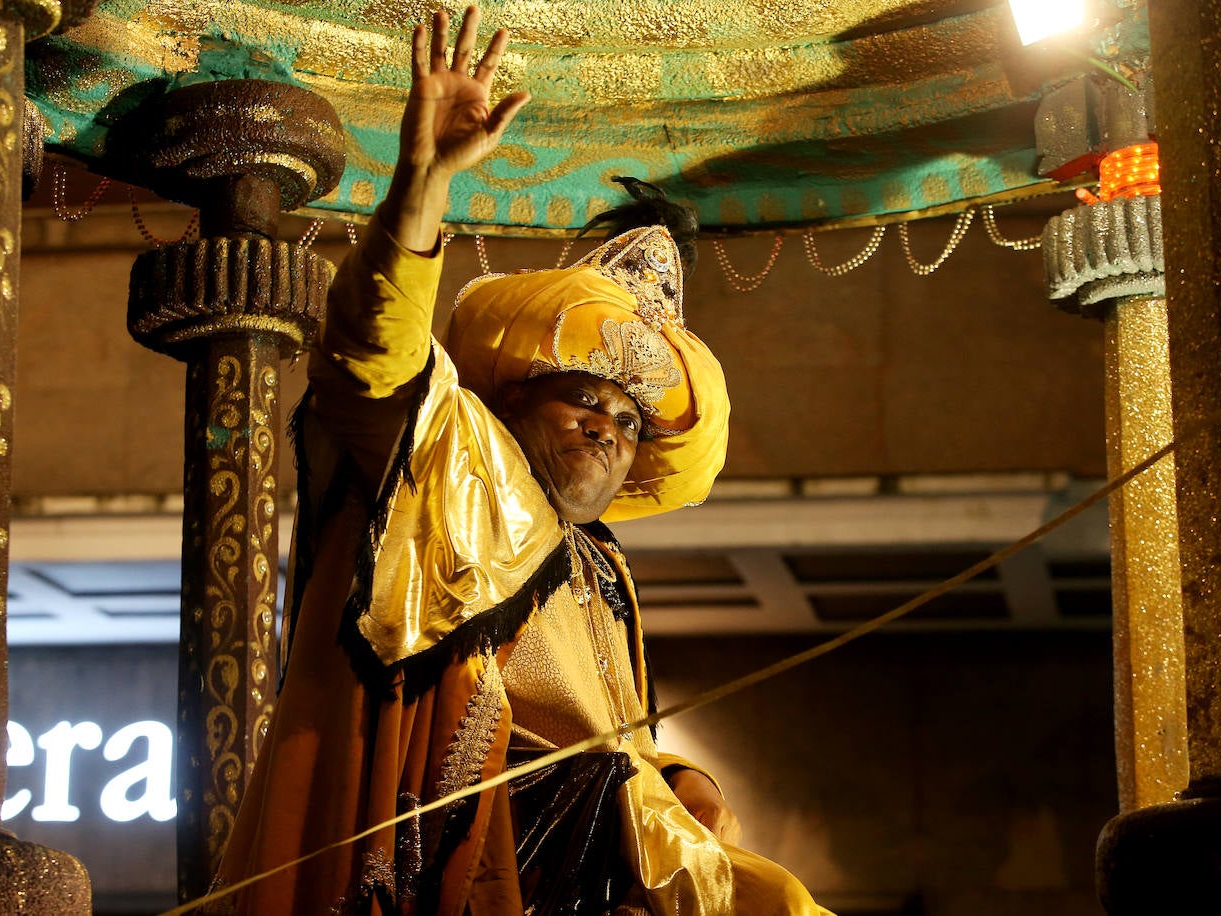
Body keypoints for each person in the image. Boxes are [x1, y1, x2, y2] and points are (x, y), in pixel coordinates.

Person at [211, 7, 830, 914]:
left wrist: (670, 776)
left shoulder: (602, 566)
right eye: (584, 398)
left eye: (629, 420)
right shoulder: (448, 455)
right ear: (514, 398)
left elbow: (604, 735)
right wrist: (421, 187)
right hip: (448, 857)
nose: (609, 430)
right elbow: (371, 359)